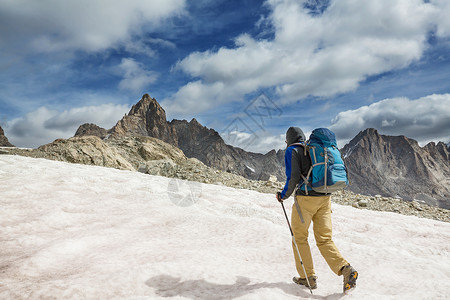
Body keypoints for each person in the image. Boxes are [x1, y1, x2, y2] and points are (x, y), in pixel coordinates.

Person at [276, 126, 358, 292]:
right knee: (324, 239)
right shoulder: (312, 149)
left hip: (306, 200)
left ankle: (308, 278)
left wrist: (283, 195)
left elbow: (292, 178)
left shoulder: (293, 150)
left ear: (289, 138)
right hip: (325, 198)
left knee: (299, 238)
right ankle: (345, 269)